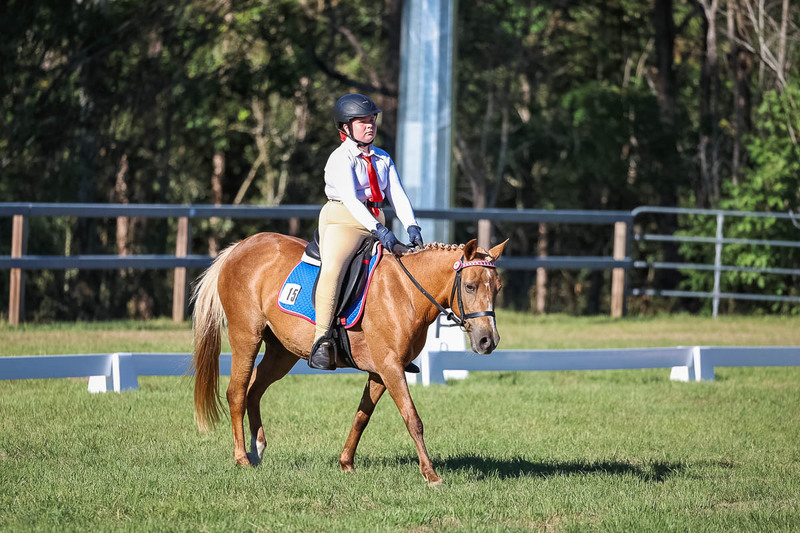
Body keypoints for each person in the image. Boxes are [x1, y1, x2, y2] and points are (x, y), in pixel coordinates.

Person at [309, 93, 424, 370]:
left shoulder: (382, 158)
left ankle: (395, 343)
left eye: (372, 120)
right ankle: (321, 339)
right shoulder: (341, 158)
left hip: (375, 217)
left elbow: (398, 195)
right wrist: (380, 230)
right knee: (334, 268)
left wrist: (412, 225)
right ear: (346, 127)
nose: (370, 125)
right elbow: (350, 199)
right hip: (342, 220)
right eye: (362, 121)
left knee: (400, 268)